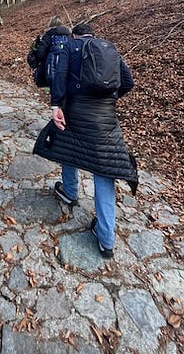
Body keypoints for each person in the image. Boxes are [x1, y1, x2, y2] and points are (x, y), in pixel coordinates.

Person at [33, 22, 137, 259]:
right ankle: (106, 238)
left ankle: (70, 192)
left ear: (76, 35)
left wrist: (56, 105)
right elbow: (128, 82)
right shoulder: (110, 48)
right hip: (106, 116)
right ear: (93, 34)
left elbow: (58, 76)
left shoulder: (70, 46)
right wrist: (107, 98)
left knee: (68, 150)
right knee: (105, 169)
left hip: (76, 110)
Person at [27, 16, 71, 87]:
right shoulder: (69, 35)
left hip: (51, 70)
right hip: (67, 70)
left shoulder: (48, 35)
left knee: (54, 90)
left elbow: (40, 54)